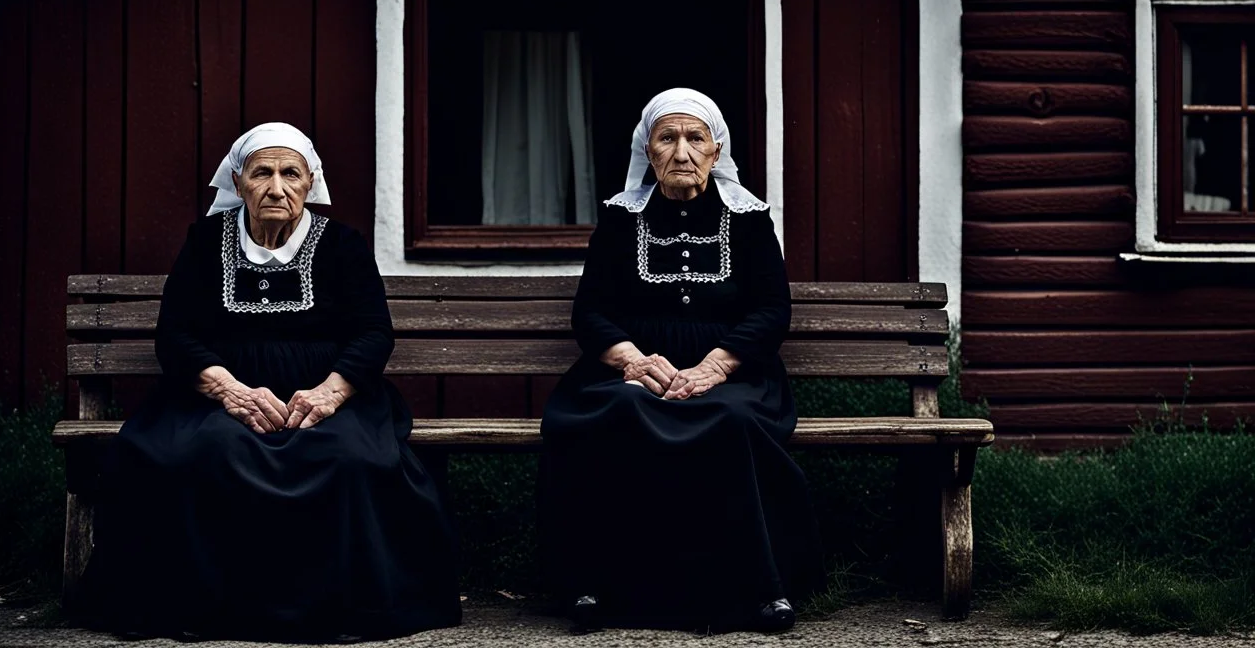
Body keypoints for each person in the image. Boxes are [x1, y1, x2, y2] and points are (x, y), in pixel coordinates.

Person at [79, 123, 461, 642]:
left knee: (348, 457)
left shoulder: (343, 246)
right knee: (204, 451)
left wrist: (331, 393)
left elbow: (373, 333)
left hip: (329, 395)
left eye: (290, 174)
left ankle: (333, 606)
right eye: (262, 173)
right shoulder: (205, 242)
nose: (277, 188)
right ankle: (215, 605)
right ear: (238, 182)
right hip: (217, 395)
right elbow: (175, 334)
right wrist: (228, 390)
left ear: (311, 182)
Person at [538, 89, 826, 633]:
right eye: (667, 138)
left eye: (696, 138)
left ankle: (761, 588)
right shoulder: (621, 220)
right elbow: (591, 312)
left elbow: (772, 309)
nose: (682, 152)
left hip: (733, 373)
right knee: (619, 412)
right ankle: (596, 588)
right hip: (632, 372)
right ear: (647, 152)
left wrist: (716, 367)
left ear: (717, 152)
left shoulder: (749, 219)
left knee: (732, 418)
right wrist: (632, 361)